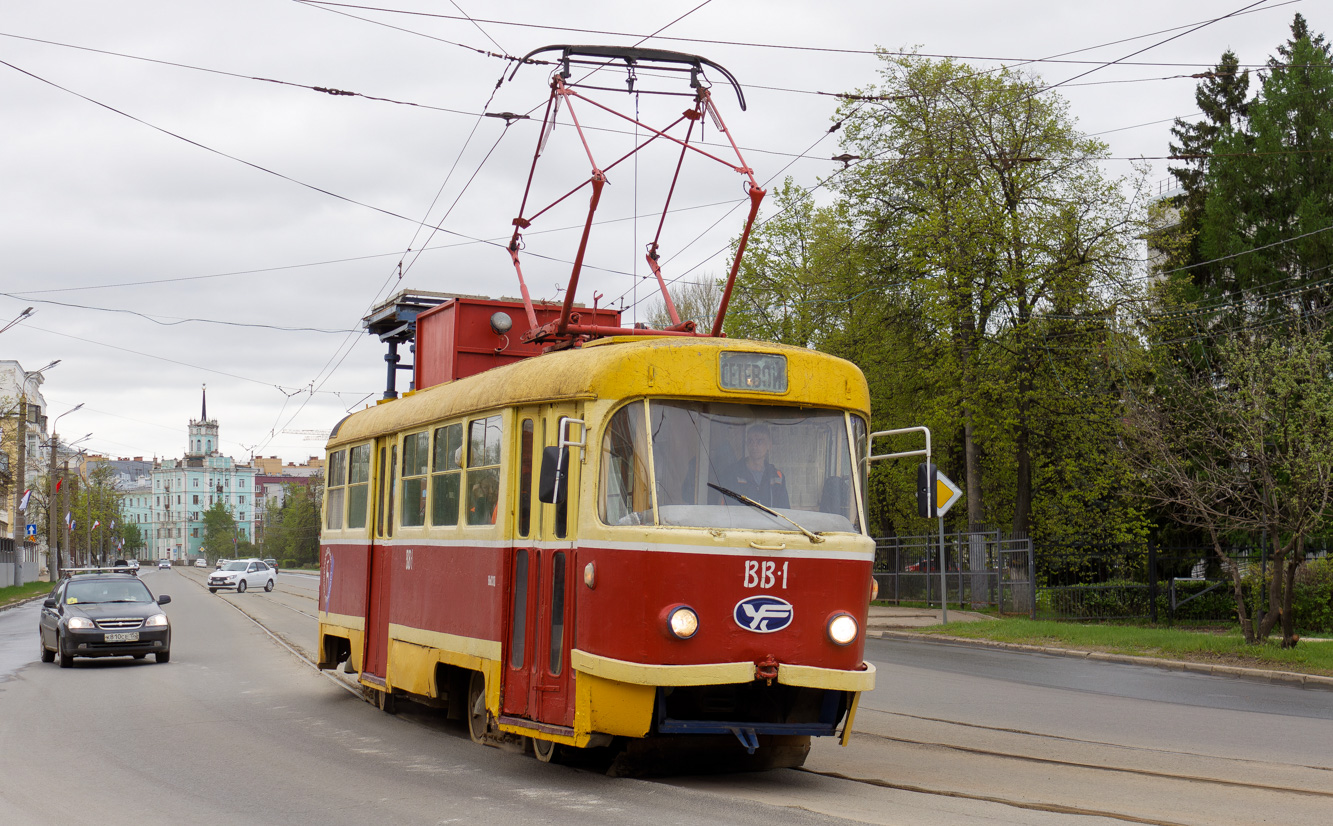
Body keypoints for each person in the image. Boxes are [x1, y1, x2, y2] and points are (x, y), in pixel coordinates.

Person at [718, 424, 789, 509]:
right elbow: (724, 508)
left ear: (769, 445)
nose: (754, 446)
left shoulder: (777, 477)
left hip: (769, 522)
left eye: (759, 441)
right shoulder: (732, 473)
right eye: (750, 441)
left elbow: (785, 511)